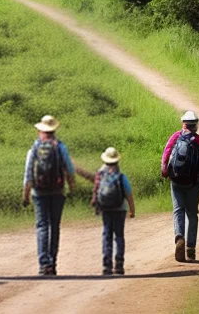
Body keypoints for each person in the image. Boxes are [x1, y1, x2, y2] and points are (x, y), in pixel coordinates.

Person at [22, 115, 94, 275]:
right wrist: (72, 188)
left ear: (41, 131)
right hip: (57, 191)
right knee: (54, 226)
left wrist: (25, 195)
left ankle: (43, 265)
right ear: (54, 130)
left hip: (38, 192)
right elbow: (69, 169)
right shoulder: (60, 147)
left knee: (42, 226)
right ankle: (52, 264)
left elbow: (28, 174)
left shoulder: (34, 148)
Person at [161, 109, 199, 262]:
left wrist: (165, 173)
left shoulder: (175, 137)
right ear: (195, 125)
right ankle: (191, 248)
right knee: (192, 214)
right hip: (193, 183)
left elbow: (166, 155)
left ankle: (179, 236)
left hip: (176, 181)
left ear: (183, 124)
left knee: (178, 210)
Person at [91, 146, 135, 275]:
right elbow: (129, 195)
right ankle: (119, 265)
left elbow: (96, 191)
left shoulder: (100, 175)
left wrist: (97, 206)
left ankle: (107, 266)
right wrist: (132, 210)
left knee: (107, 235)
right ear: (117, 160)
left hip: (106, 209)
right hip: (120, 209)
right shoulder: (121, 177)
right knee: (119, 236)